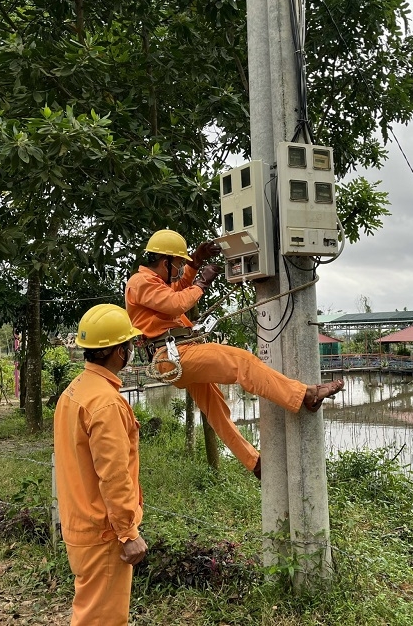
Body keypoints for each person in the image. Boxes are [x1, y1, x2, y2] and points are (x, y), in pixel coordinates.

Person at [125, 229, 343, 479]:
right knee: (241, 361)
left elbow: (176, 288)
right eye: (179, 264)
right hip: (173, 356)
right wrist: (201, 284)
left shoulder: (155, 283)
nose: (180, 270)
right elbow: (176, 303)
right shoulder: (139, 282)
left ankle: (254, 462)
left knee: (216, 409)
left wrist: (195, 262)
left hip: (178, 355)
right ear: (165, 262)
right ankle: (305, 394)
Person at [54, 304, 147, 626]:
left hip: (79, 523)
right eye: (130, 345)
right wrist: (127, 532)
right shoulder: (106, 403)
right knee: (102, 619)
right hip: (104, 532)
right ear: (120, 351)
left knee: (91, 610)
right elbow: (114, 474)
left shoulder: (75, 391)